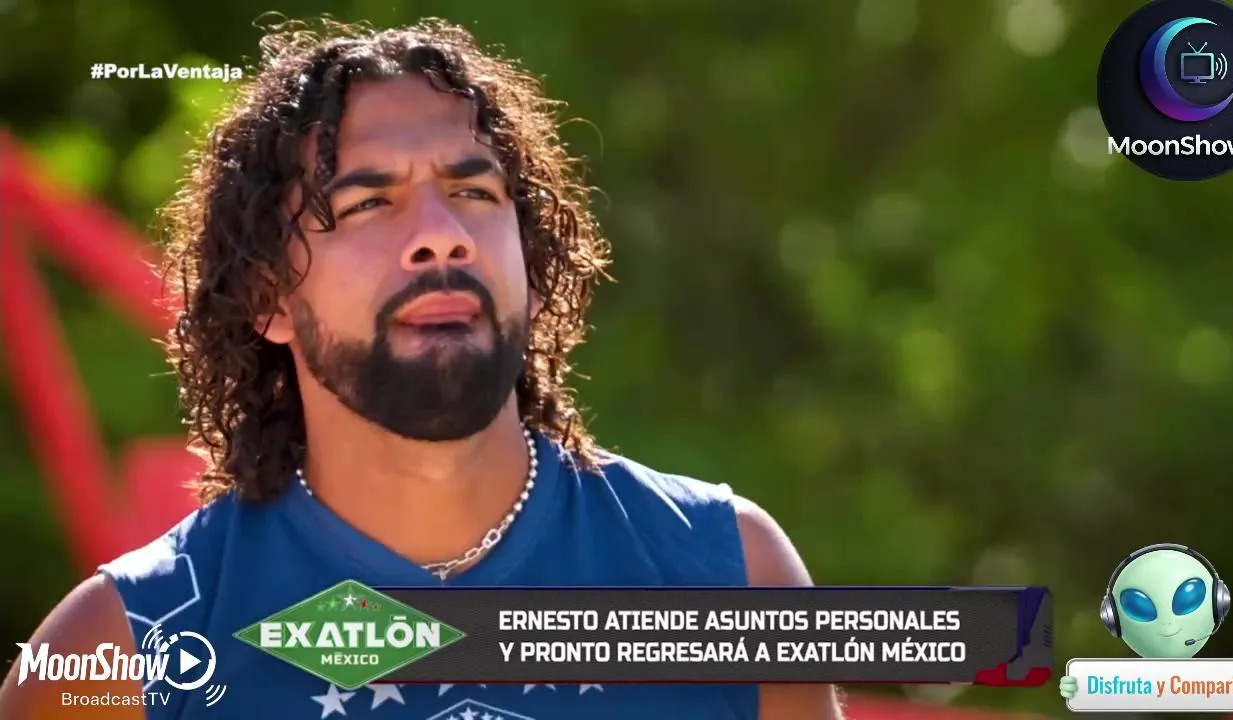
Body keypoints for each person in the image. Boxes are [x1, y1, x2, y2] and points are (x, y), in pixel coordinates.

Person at [0, 18, 841, 720]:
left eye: (474, 192)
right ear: (267, 297)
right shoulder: (120, 650)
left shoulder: (727, 572)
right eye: (369, 202)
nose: (443, 236)